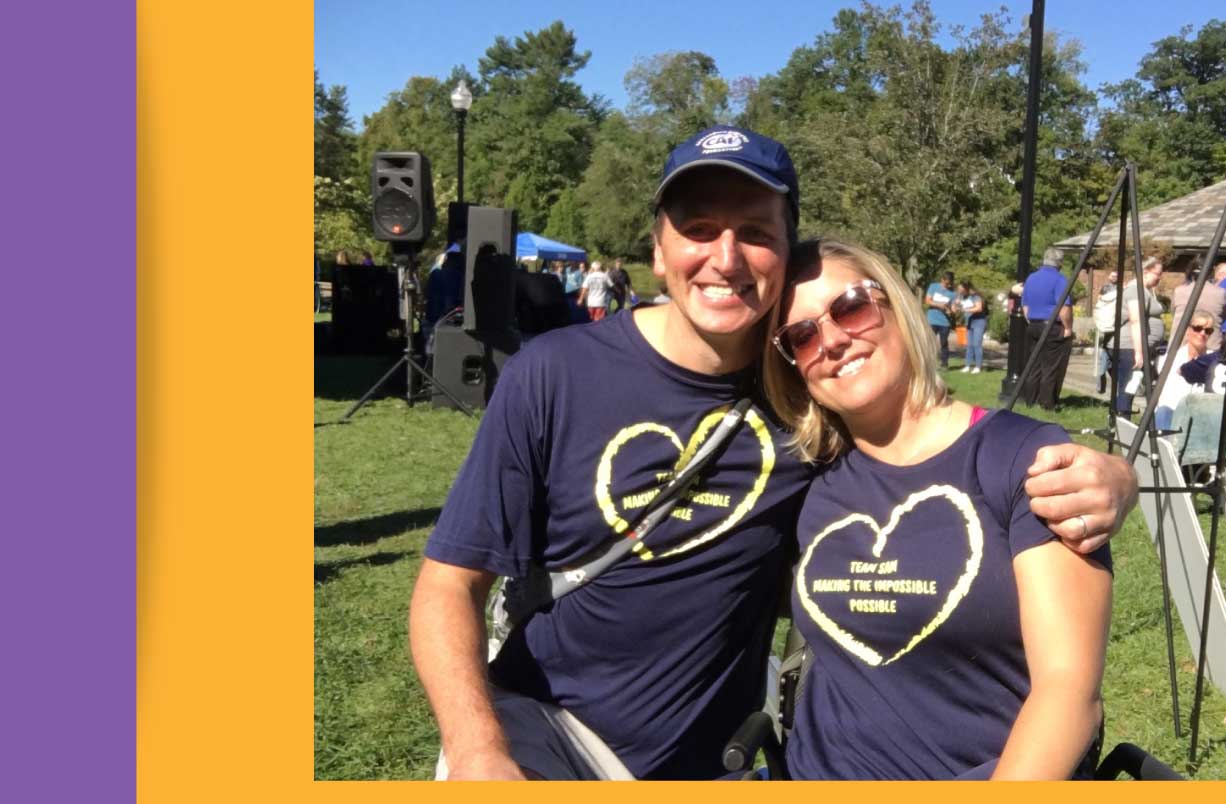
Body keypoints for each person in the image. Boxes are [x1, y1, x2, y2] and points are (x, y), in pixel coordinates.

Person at [409, 125, 1139, 782]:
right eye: (698, 228)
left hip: (706, 766)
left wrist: (1116, 475)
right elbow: (448, 583)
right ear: (658, 250)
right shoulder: (554, 373)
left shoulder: (808, 408)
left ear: (786, 252)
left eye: (754, 231)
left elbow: (946, 457)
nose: (724, 258)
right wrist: (478, 752)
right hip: (546, 737)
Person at [762, 238, 1112, 780]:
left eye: (850, 306)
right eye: (801, 336)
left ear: (898, 307)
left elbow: (1068, 691)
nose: (831, 340)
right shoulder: (805, 479)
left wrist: (1122, 478)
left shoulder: (1018, 458)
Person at [1018, 245, 1075, 411]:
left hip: (1034, 325)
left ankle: (1031, 401)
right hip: (1052, 326)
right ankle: (1047, 403)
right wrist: (1068, 328)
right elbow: (1064, 307)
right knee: (1051, 367)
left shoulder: (1031, 278)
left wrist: (1031, 321)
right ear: (1059, 262)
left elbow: (1025, 305)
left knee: (1034, 365)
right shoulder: (1060, 279)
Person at [1111, 257, 1166, 415]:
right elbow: (1135, 320)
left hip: (1137, 347)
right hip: (1129, 346)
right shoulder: (1135, 290)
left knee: (1132, 385)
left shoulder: (1146, 291)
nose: (1160, 277)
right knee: (1128, 386)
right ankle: (1121, 422)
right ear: (1146, 272)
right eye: (1158, 273)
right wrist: (1138, 352)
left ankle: (1127, 419)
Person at [1152, 309, 1217, 430]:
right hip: (1171, 414)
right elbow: (1166, 399)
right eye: (1198, 328)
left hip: (1199, 420)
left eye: (1208, 331)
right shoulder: (1169, 360)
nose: (1202, 333)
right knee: (1163, 411)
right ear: (1188, 330)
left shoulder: (1214, 363)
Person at [1170, 265, 1226, 353]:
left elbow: (1173, 313)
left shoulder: (1179, 291)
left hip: (1178, 346)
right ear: (1211, 272)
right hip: (1210, 346)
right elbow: (1224, 315)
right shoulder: (1221, 293)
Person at [923, 270, 956, 368]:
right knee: (929, 341)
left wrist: (952, 311)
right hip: (932, 320)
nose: (948, 285)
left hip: (944, 322)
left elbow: (953, 308)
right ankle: (927, 363)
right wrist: (939, 305)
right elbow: (927, 301)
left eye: (950, 283)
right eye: (946, 283)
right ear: (942, 280)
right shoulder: (934, 287)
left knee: (944, 343)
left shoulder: (952, 293)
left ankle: (944, 364)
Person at [1092, 270, 1118, 394]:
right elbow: (1099, 299)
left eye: (1116, 276)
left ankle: (1104, 382)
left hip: (1114, 322)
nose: (1114, 278)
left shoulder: (1120, 288)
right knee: (1106, 354)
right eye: (1112, 275)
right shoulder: (1106, 287)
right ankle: (1102, 382)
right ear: (1109, 276)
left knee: (1107, 355)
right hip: (1108, 322)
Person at [955, 280, 988, 373]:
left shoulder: (975, 296)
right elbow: (957, 307)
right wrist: (957, 305)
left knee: (977, 344)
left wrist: (966, 309)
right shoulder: (962, 297)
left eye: (961, 289)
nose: (959, 290)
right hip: (969, 322)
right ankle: (968, 365)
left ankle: (978, 366)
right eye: (958, 289)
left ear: (966, 288)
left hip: (979, 322)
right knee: (969, 345)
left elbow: (979, 308)